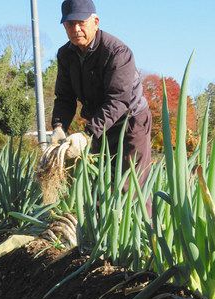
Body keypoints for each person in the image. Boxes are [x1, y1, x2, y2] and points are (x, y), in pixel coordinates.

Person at [52, 0, 152, 190]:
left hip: (130, 123)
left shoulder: (117, 52)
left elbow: (118, 100)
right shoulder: (65, 54)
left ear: (95, 21)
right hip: (101, 125)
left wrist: (87, 134)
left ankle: (142, 221)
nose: (76, 29)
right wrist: (58, 126)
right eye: (70, 24)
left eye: (81, 22)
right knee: (101, 184)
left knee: (130, 188)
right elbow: (65, 97)